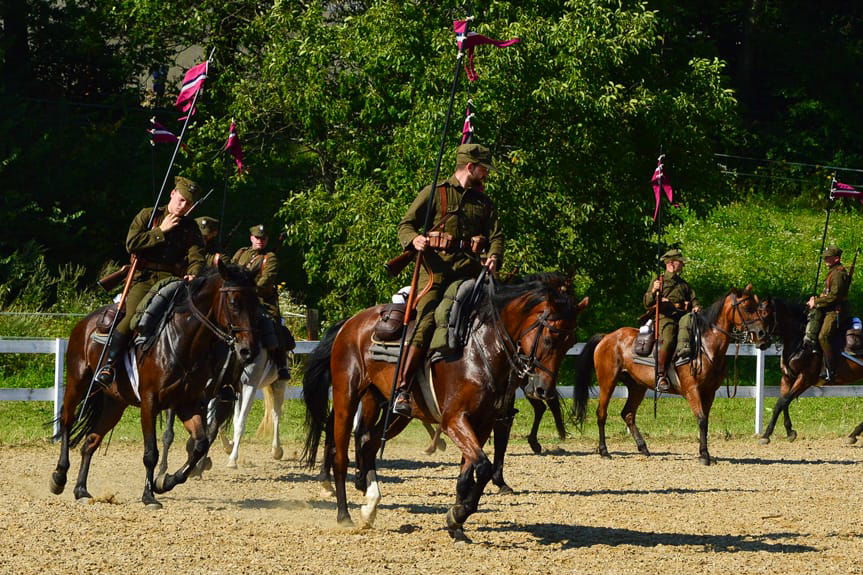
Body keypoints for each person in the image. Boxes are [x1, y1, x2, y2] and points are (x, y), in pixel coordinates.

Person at [391, 143, 504, 417]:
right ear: (470, 167)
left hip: (469, 273)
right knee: (429, 318)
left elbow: (497, 236)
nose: (486, 174)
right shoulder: (435, 192)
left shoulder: (484, 203)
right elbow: (405, 224)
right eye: (484, 169)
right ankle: (403, 389)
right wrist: (414, 239)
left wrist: (494, 256)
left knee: (497, 318)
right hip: (435, 272)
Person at [95, 176, 206, 385]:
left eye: (188, 204)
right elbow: (132, 244)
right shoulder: (149, 215)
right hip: (144, 278)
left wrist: (194, 273)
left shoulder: (191, 228)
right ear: (172, 193)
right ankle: (109, 365)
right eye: (181, 200)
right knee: (132, 317)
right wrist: (160, 231)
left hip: (173, 281)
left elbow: (197, 257)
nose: (183, 207)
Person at [232, 224, 290, 380]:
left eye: (263, 239)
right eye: (257, 238)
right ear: (251, 238)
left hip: (262, 301)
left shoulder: (269, 258)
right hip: (241, 300)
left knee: (273, 324)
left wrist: (249, 292)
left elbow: (266, 281)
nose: (260, 241)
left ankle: (281, 364)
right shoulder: (241, 253)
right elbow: (233, 271)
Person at [643, 248, 701, 393]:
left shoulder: (684, 284)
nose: (682, 265)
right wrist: (654, 291)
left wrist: (696, 307)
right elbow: (647, 302)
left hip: (682, 317)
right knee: (668, 338)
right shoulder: (659, 281)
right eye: (680, 262)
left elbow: (694, 300)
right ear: (672, 263)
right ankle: (661, 375)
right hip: (664, 316)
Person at [802, 245, 851, 382]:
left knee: (824, 336)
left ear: (836, 258)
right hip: (828, 309)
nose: (825, 259)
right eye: (825, 257)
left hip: (835, 312)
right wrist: (816, 299)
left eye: (828, 257)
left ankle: (831, 370)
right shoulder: (832, 272)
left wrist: (816, 302)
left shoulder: (839, 274)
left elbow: (835, 296)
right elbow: (828, 294)